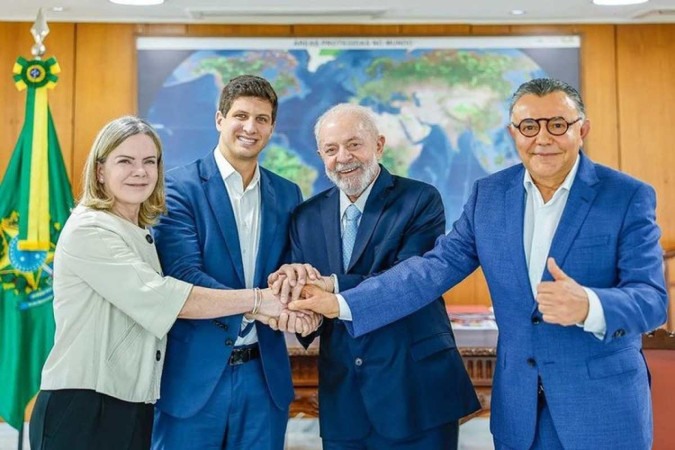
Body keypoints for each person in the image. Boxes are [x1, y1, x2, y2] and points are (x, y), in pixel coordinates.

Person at [289, 79, 668, 450]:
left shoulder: (627, 195)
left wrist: (590, 305)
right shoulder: (490, 195)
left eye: (557, 124)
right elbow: (431, 269)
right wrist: (340, 300)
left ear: (581, 129)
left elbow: (652, 300)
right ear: (513, 133)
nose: (543, 138)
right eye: (529, 126)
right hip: (519, 412)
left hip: (601, 408)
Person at [28, 116, 287, 450]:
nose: (140, 171)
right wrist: (257, 301)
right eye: (125, 161)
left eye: (149, 161)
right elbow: (166, 299)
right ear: (99, 171)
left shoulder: (139, 231)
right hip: (85, 408)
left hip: (131, 407)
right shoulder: (90, 230)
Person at [268, 103, 480, 449]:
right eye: (331, 149)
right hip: (344, 398)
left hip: (417, 392)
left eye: (354, 144)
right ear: (320, 154)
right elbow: (306, 294)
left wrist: (333, 292)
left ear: (379, 145)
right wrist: (303, 317)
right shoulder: (305, 216)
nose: (343, 157)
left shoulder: (420, 200)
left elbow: (409, 278)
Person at [150, 75, 319, 450]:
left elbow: (290, 270)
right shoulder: (178, 188)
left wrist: (297, 295)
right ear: (219, 119)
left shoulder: (287, 193)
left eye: (262, 119)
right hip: (194, 378)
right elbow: (183, 275)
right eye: (240, 115)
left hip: (263, 377)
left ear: (272, 126)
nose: (250, 127)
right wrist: (260, 306)